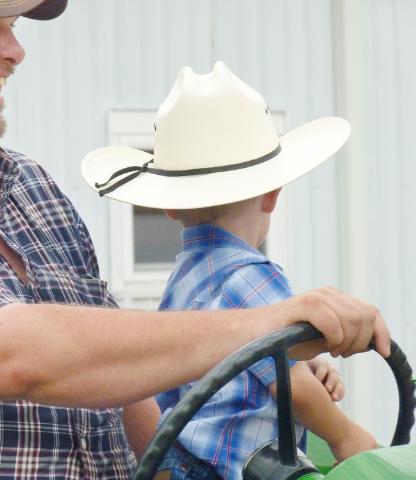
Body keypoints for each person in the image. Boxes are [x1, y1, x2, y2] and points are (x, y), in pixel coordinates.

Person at [0, 2, 387, 479]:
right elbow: (12, 356)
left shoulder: (28, 187)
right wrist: (266, 325)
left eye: (12, 27)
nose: (15, 51)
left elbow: (121, 395)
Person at [82, 62, 377, 480]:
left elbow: (231, 369)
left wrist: (305, 365)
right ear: (272, 195)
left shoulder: (183, 278)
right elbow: (290, 387)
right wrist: (347, 436)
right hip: (232, 467)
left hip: (182, 463)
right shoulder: (254, 274)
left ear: (169, 207)